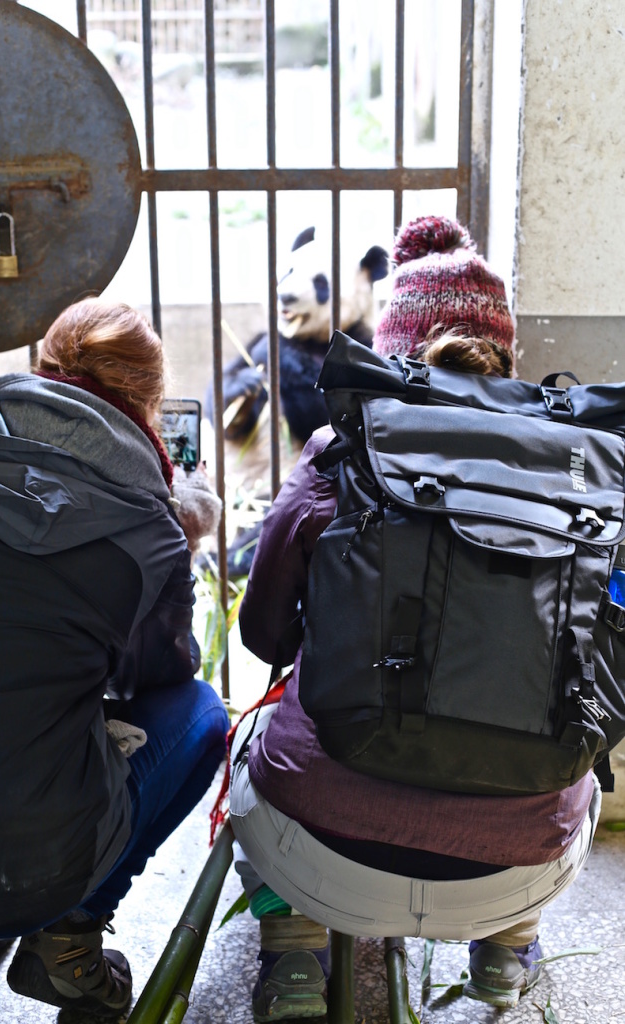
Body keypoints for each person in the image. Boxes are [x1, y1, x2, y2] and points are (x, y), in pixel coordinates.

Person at [227, 216, 602, 1021]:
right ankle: (505, 952)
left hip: (328, 855)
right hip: (514, 864)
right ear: (504, 346)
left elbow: (261, 635)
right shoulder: (580, 467)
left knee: (244, 742)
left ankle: (294, 953)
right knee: (577, 767)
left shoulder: (340, 445)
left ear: (390, 346)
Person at [0, 298, 229, 1017]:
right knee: (199, 712)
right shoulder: (148, 529)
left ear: (41, 368)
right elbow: (156, 675)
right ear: (149, 402)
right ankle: (68, 943)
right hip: (30, 872)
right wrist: (175, 541)